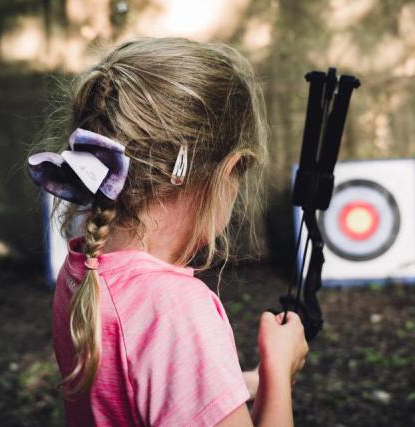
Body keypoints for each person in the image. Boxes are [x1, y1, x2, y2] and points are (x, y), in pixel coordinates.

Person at [28, 37, 309, 427]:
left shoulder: (83, 269)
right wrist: (278, 373)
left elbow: (140, 391)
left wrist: (239, 386)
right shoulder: (176, 308)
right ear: (227, 172)